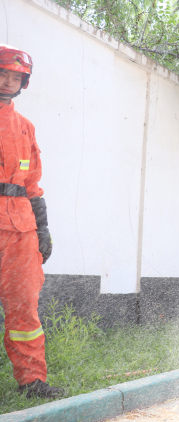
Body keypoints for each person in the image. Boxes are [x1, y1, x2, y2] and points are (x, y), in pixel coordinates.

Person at [0, 44, 63, 399]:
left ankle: (32, 381)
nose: (8, 82)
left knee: (25, 307)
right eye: (3, 74)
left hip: (21, 231)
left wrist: (43, 228)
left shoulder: (25, 127)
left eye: (16, 77)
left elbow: (32, 184)